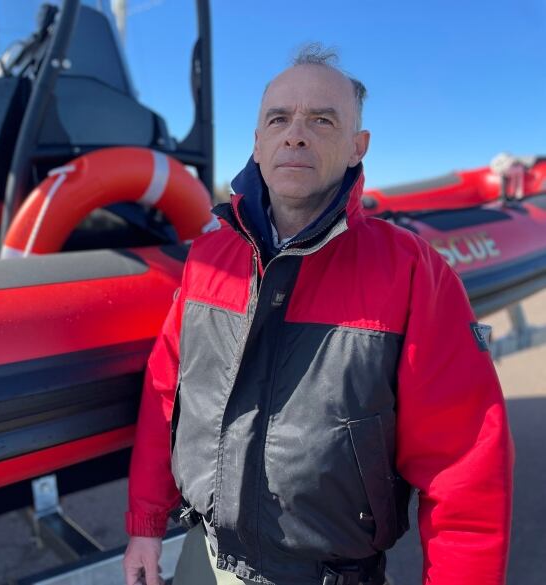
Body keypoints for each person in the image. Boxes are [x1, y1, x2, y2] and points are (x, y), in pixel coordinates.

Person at [123, 44, 514, 585]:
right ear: (257, 143)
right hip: (204, 559)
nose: (296, 133)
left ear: (358, 147)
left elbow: (465, 464)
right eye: (279, 118)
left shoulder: (411, 272)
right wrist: (145, 522)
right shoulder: (209, 260)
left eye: (322, 120)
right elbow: (168, 394)